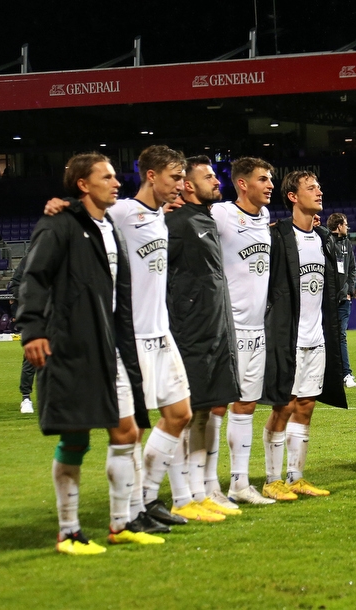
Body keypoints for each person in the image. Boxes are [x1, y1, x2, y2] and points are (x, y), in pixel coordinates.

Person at [18, 152, 161, 555]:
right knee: (75, 437)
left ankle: (120, 524)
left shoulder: (108, 226)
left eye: (116, 176)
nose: (117, 182)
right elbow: (35, 277)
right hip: (72, 347)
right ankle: (68, 532)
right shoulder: (59, 224)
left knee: (126, 431)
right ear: (83, 184)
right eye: (107, 177)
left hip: (109, 346)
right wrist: (32, 329)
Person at [101, 146, 214, 524]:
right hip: (131, 336)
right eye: (174, 177)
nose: (180, 185)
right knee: (130, 429)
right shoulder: (120, 213)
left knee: (179, 414)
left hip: (161, 333)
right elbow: (81, 220)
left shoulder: (161, 217)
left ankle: (148, 497)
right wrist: (58, 207)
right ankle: (133, 508)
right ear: (151, 175)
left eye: (183, 178)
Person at [261, 171, 348, 499]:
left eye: (319, 187)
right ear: (294, 196)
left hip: (317, 337)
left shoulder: (324, 237)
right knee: (282, 406)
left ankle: (296, 476)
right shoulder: (279, 236)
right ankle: (272, 480)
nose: (319, 192)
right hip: (288, 337)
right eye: (311, 188)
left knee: (307, 405)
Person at [164, 155, 242, 516]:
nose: (217, 181)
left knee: (204, 414)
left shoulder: (206, 220)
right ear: (188, 186)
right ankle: (182, 496)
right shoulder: (177, 223)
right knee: (185, 414)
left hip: (215, 331)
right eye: (208, 177)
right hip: (189, 334)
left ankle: (199, 492)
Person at [211, 157, 277, 505]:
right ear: (242, 183)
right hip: (228, 326)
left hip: (257, 328)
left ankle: (239, 483)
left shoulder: (264, 217)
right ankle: (207, 486)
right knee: (217, 406)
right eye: (263, 179)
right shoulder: (221, 214)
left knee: (246, 405)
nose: (270, 185)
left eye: (270, 179)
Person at [326, 213, 356, 389]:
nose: (347, 227)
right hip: (327, 300)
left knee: (341, 336)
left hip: (343, 300)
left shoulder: (347, 244)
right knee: (324, 338)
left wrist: (349, 290)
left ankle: (346, 374)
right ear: (338, 226)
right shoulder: (325, 242)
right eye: (345, 225)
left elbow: (352, 269)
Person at [9, 254, 36, 414]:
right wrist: (30, 300)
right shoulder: (29, 259)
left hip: (58, 315)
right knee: (31, 357)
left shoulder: (65, 257)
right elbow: (14, 285)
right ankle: (26, 398)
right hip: (34, 314)